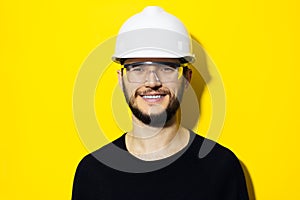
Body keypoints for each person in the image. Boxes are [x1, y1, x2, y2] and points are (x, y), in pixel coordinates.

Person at [72, 6, 249, 200]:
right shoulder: (93, 173)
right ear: (121, 80)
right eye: (138, 68)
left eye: (167, 67)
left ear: (187, 78)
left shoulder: (221, 168)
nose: (152, 82)